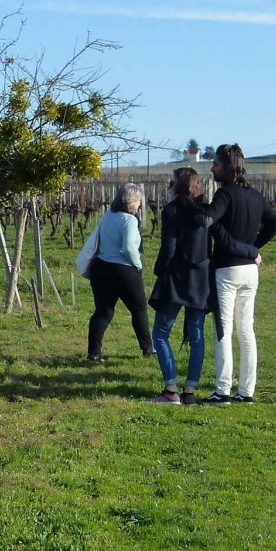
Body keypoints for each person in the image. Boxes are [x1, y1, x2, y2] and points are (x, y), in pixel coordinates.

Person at [203, 144, 276, 403]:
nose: (212, 168)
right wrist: (254, 248)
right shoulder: (255, 195)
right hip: (250, 270)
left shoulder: (224, 195)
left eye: (216, 163)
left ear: (227, 166)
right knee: (246, 331)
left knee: (223, 330)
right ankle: (247, 391)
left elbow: (209, 221)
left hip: (227, 270)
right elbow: (275, 223)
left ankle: (223, 389)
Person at [148, 168, 212, 404]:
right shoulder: (206, 211)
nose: (168, 184)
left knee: (161, 333)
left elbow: (169, 247)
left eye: (171, 181)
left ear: (180, 185)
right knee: (197, 335)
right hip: (201, 277)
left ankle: (171, 388)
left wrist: (159, 269)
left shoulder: (172, 210)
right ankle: (190, 391)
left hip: (176, 276)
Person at [85, 183, 152, 362]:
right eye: (139, 201)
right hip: (123, 271)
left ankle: (94, 352)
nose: (140, 205)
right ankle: (147, 348)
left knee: (103, 312)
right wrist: (137, 265)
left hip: (101, 268)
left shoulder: (107, 215)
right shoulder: (129, 220)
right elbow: (129, 247)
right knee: (138, 309)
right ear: (131, 201)